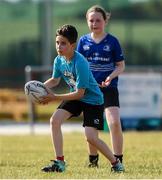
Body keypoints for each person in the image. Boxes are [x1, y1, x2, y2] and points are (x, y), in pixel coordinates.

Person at [40, 24, 124, 173]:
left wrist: (53, 97)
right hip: (76, 96)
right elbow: (55, 80)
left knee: (91, 137)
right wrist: (39, 88)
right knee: (55, 120)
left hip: (92, 100)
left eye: (63, 43)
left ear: (73, 45)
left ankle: (116, 163)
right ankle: (59, 163)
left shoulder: (80, 63)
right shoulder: (59, 60)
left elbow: (80, 93)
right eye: (57, 42)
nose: (59, 46)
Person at [77, 5, 125, 168]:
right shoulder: (83, 41)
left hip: (109, 88)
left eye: (98, 20)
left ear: (105, 21)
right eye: (91, 20)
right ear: (87, 21)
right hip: (90, 90)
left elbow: (120, 65)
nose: (94, 23)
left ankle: (118, 159)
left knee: (114, 123)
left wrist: (110, 77)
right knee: (92, 126)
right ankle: (93, 160)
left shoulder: (112, 41)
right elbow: (78, 66)